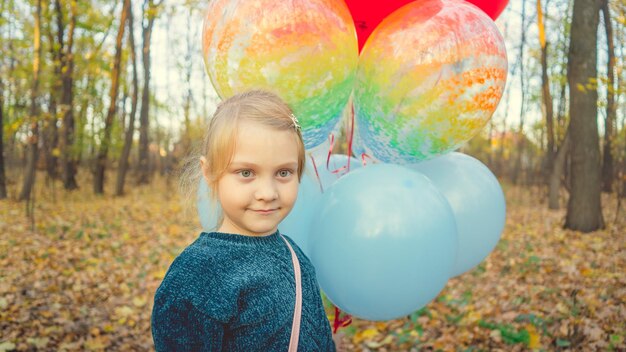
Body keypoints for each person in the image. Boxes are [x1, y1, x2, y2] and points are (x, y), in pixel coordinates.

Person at [151, 90, 336, 351]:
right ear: (210, 172)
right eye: (246, 172)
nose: (267, 194)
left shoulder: (295, 256)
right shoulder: (195, 278)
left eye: (283, 172)